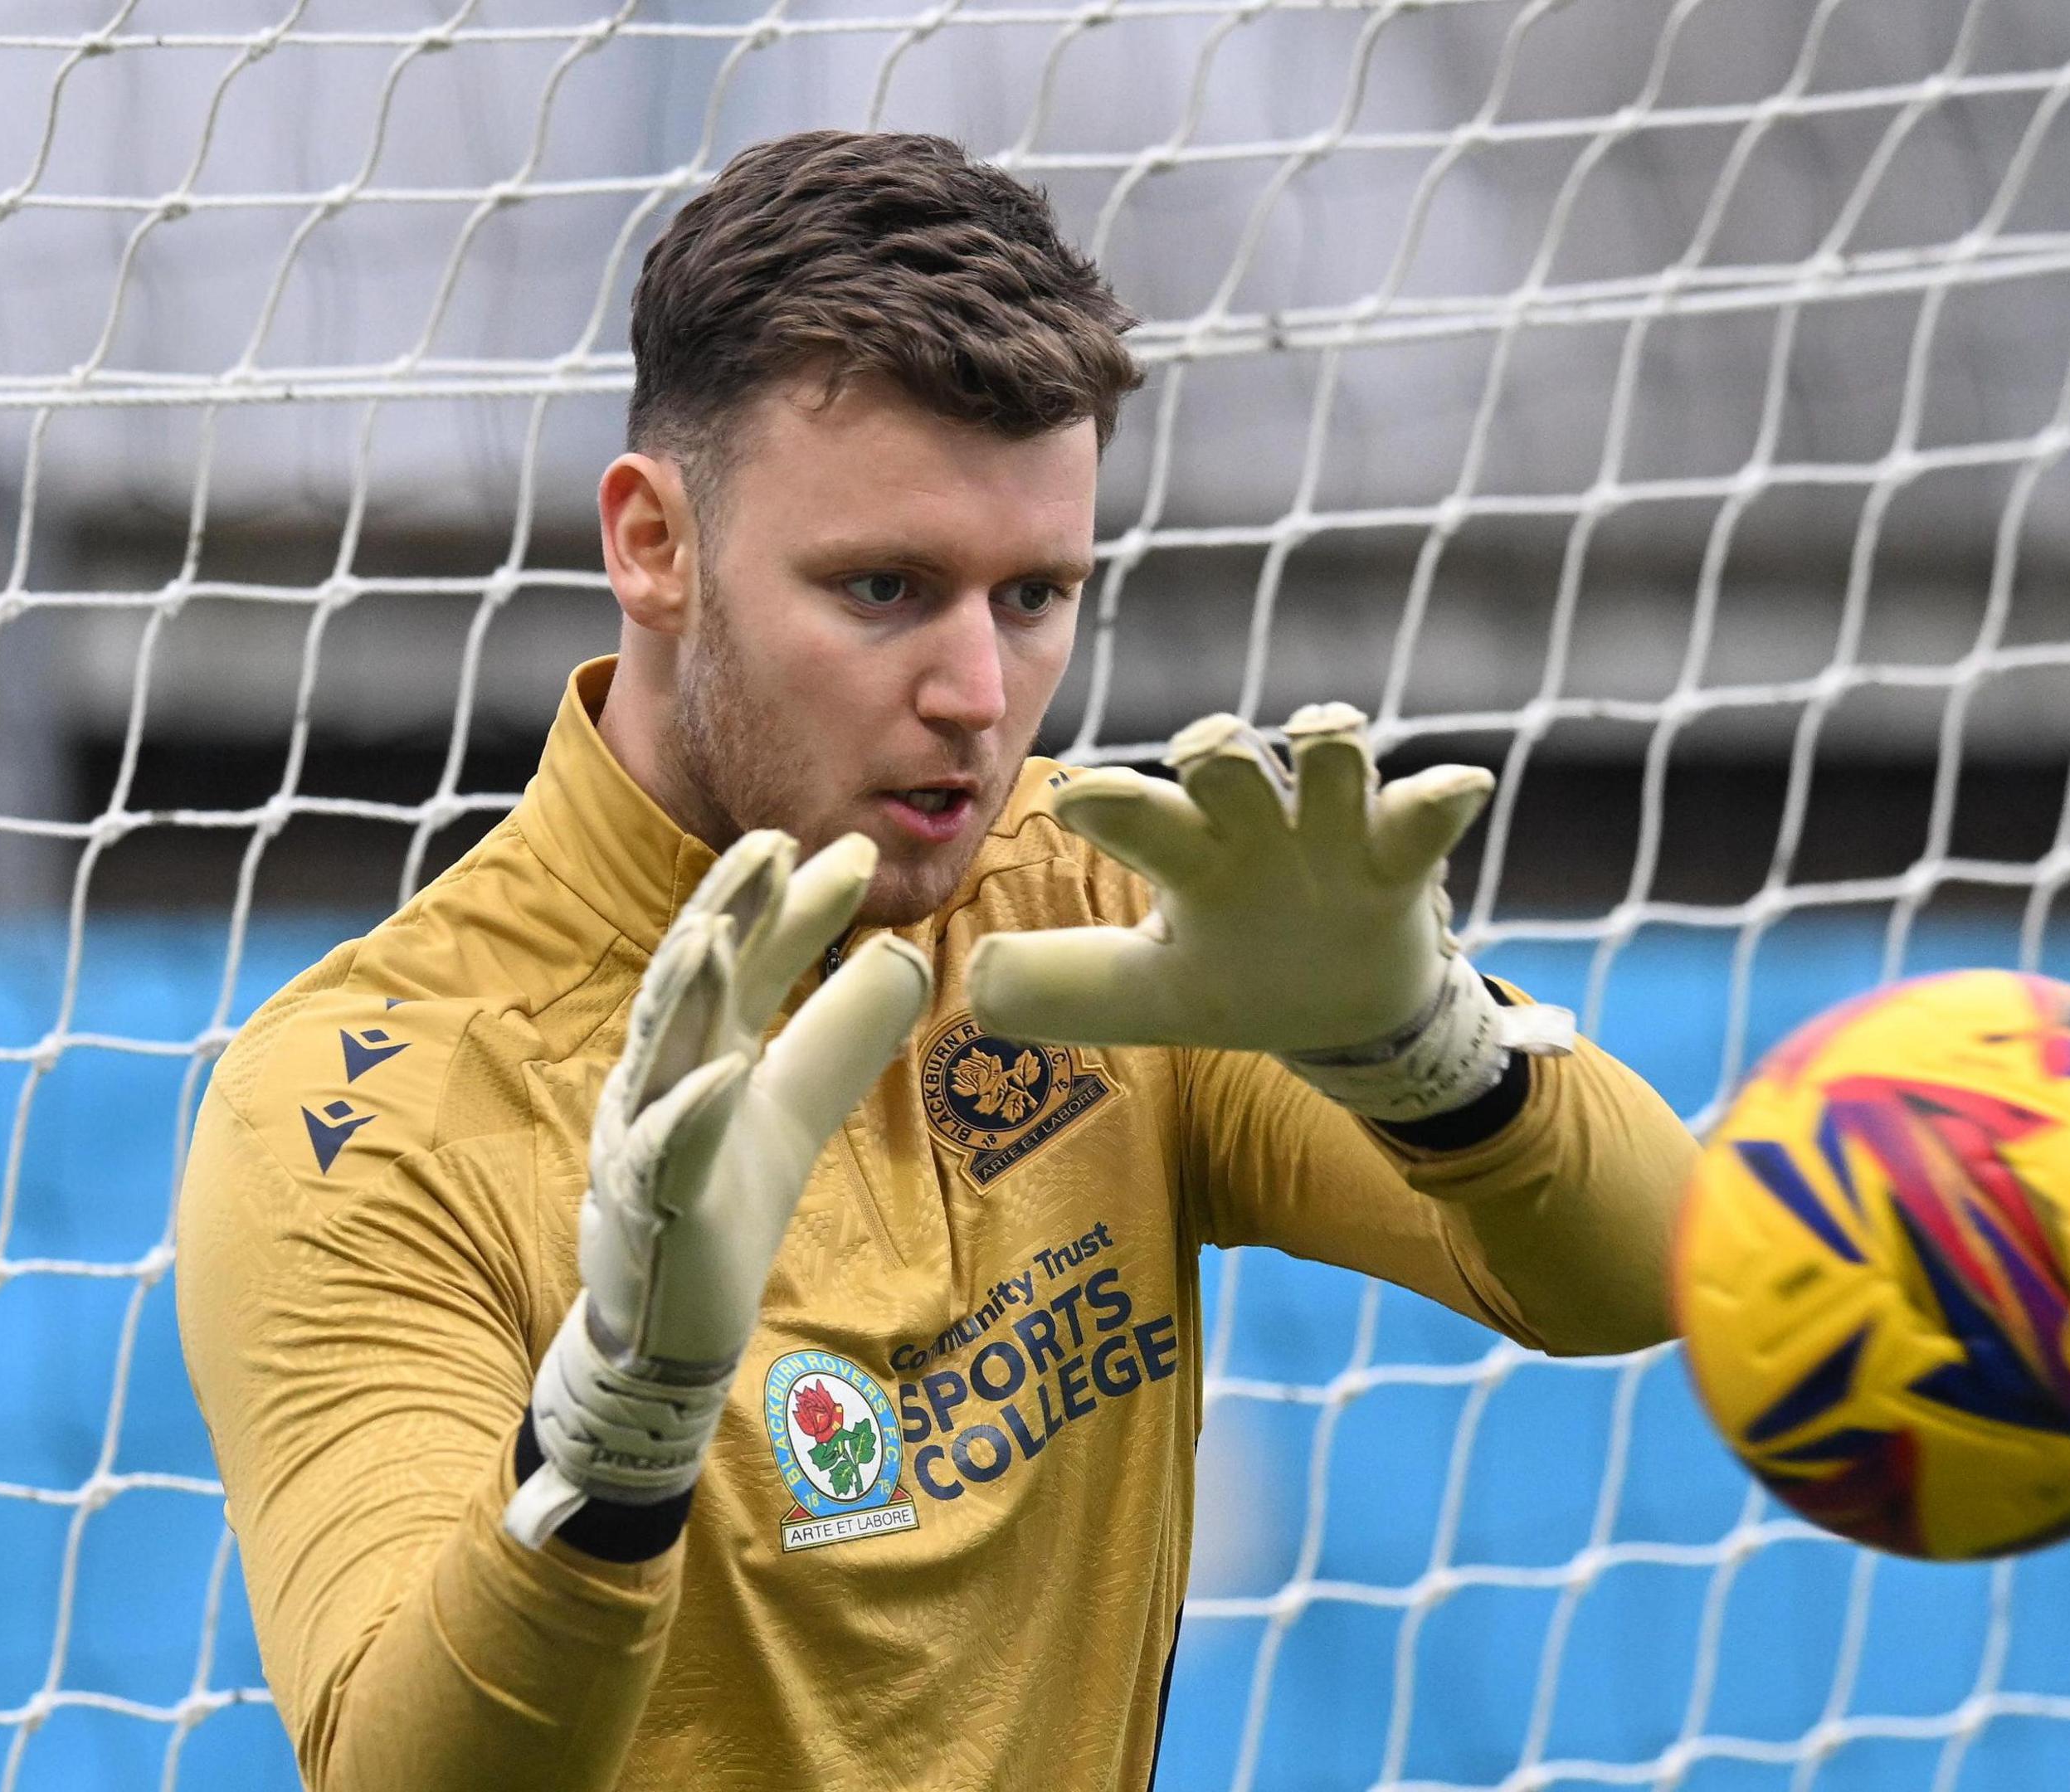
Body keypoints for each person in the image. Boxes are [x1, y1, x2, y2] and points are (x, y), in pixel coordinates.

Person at [174, 129, 1695, 1791]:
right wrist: (620, 1423)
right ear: (653, 546)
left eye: (1036, 595)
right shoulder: (357, 1105)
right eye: (886, 588)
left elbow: (1644, 1275)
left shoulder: (1113, 910)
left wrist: (1426, 1047)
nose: (978, 689)